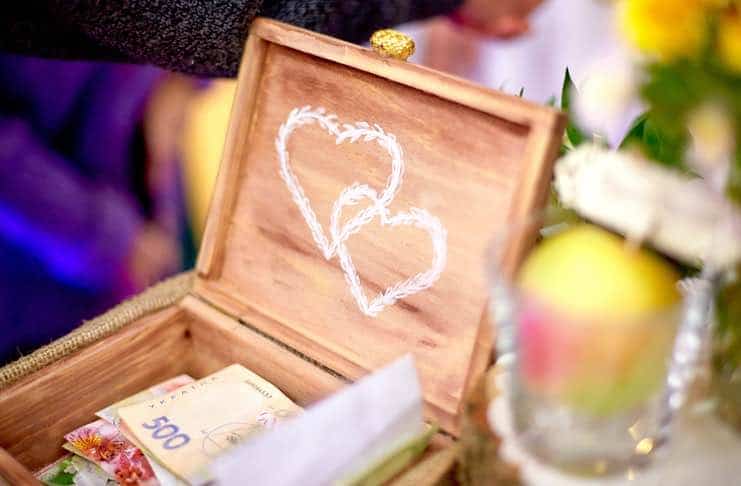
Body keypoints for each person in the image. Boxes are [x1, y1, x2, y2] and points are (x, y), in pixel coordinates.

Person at [0, 1, 543, 365]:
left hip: (137, 178)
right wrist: (107, 238)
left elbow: (158, 25)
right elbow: (209, 19)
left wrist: (171, 86)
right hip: (40, 267)